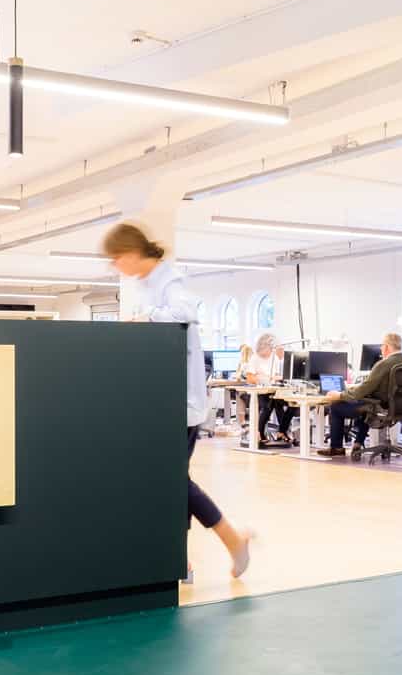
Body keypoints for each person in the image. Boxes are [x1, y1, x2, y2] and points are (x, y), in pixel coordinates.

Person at [103, 222, 253, 581]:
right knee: (170, 480)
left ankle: (230, 541)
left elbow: (186, 313)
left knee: (170, 480)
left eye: (117, 258)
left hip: (180, 401)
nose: (115, 266)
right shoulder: (148, 284)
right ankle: (183, 559)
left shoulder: (170, 280)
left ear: (132, 253)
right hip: (162, 399)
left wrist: (144, 319)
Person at [318, 332, 402, 458]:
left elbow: (365, 389)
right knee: (366, 406)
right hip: (400, 407)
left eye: (382, 346)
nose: (381, 349)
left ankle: (337, 447)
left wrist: (339, 396)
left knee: (336, 407)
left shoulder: (384, 364)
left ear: (387, 347)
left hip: (380, 407)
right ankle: (358, 444)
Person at [241, 333, 295, 446]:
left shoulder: (273, 357)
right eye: (269, 349)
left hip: (272, 390)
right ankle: (260, 433)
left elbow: (275, 375)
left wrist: (277, 379)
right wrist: (262, 380)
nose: (271, 351)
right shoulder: (255, 358)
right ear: (263, 347)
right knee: (268, 406)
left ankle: (282, 431)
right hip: (259, 392)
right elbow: (250, 378)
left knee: (287, 405)